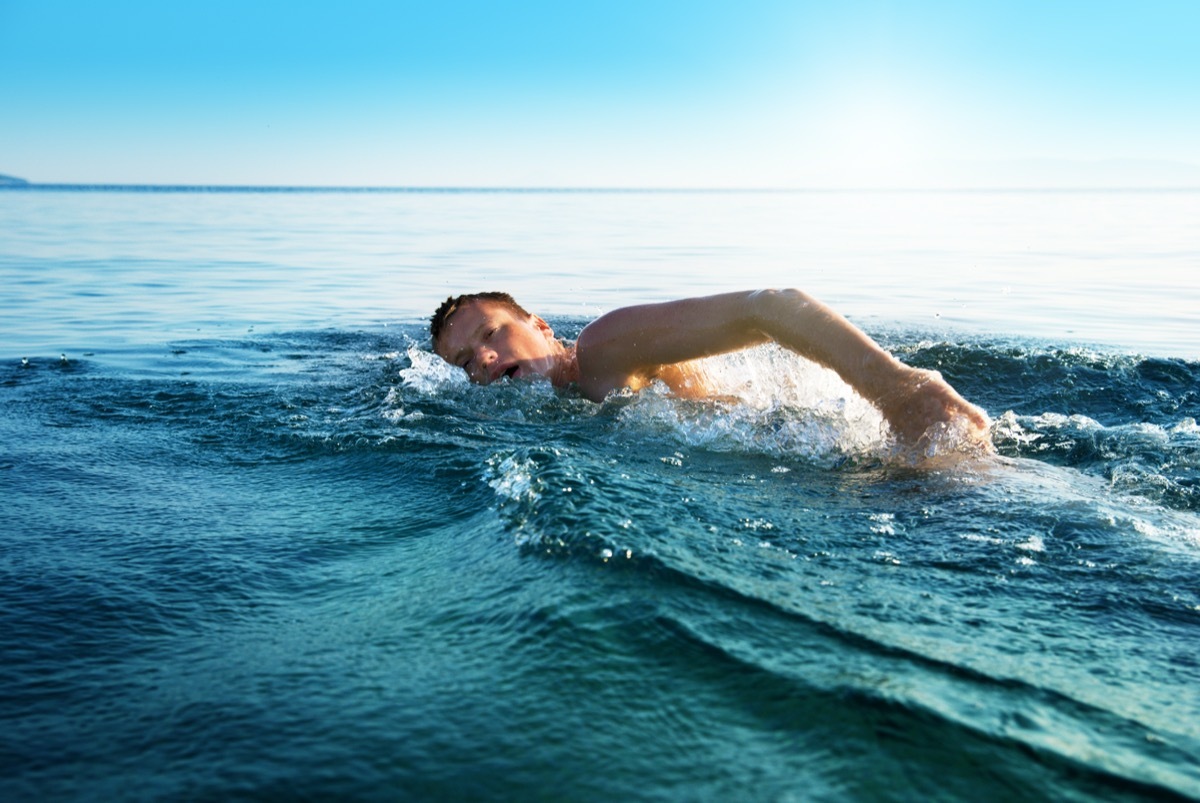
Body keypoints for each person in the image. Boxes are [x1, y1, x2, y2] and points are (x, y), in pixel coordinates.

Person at [430, 289, 992, 453]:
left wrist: (898, 390)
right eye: (464, 362)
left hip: (819, 438)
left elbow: (770, 307)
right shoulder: (537, 416)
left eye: (491, 332)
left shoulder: (603, 350)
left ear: (543, 327)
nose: (481, 358)